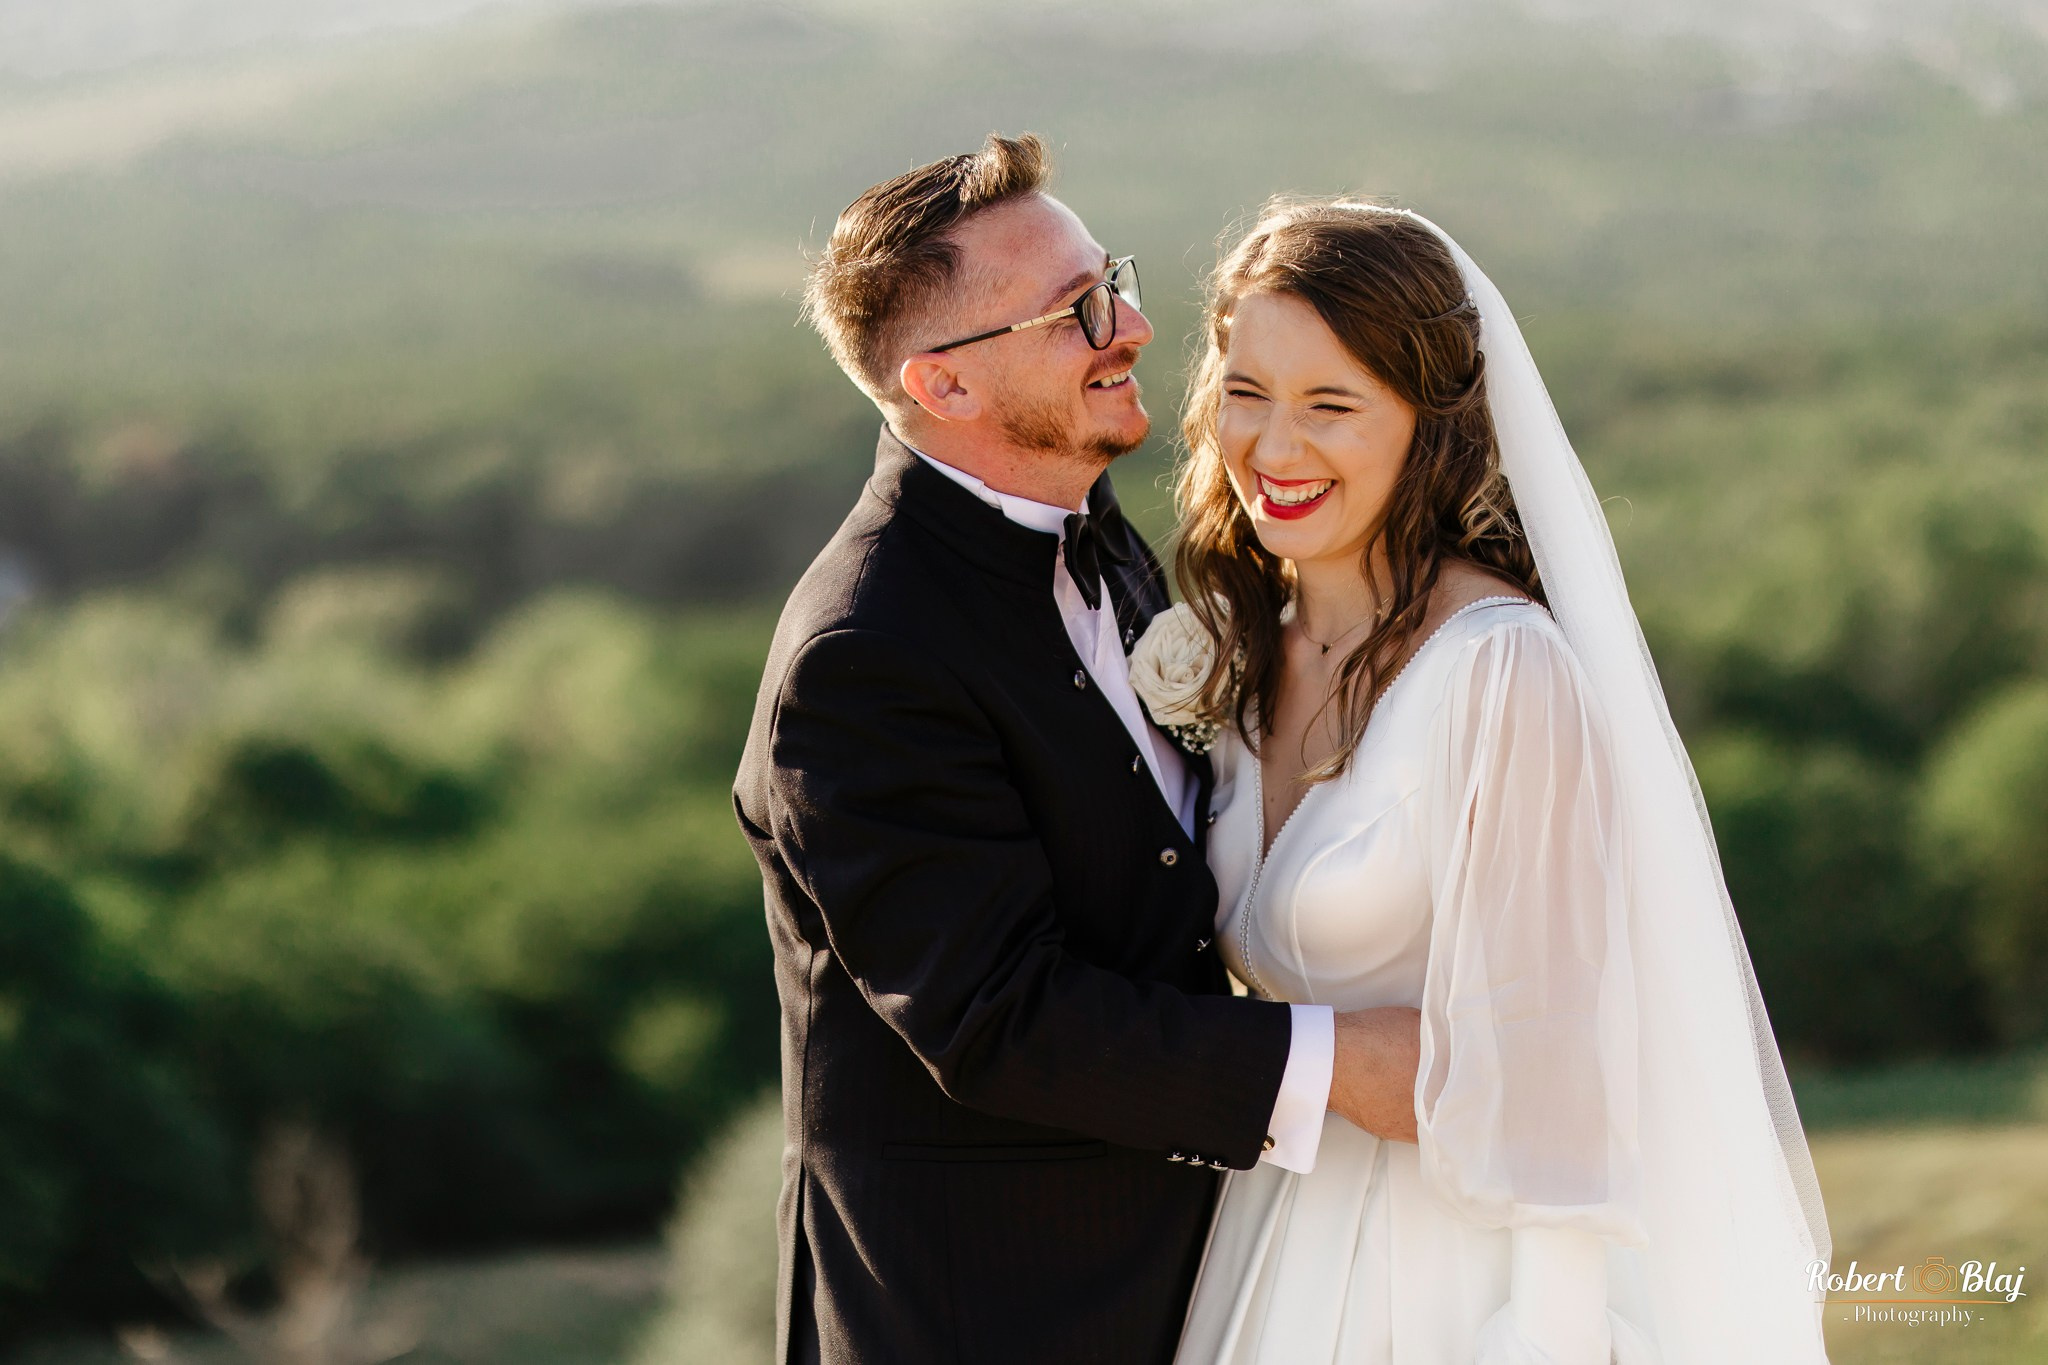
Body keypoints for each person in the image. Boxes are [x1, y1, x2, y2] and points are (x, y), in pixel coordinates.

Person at [731, 136, 1421, 1365]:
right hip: (982, 1313)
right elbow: (999, 1015)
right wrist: (1338, 1065)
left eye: (1113, 280)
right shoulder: (861, 660)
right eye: (1076, 312)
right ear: (940, 386)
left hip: (1181, 1282)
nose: (1135, 325)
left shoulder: (1092, 533)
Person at [1139, 200, 1834, 1364]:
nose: (1270, 446)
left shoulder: (1500, 675)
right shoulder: (1242, 651)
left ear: (1429, 428)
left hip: (1452, 1283)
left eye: (1331, 405)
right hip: (1269, 1245)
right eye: (1244, 391)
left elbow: (1561, 1107)